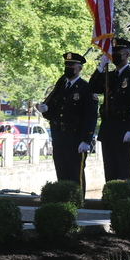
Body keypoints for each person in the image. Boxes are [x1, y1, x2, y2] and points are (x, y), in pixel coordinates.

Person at [89, 38, 130, 182]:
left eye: (118, 52)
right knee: (110, 173)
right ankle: (111, 202)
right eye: (112, 52)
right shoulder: (109, 75)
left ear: (127, 55)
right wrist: (101, 66)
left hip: (124, 128)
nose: (114, 54)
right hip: (108, 129)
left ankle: (127, 202)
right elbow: (92, 88)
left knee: (125, 172)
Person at [38, 52, 98, 195]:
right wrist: (45, 110)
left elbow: (90, 116)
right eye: (66, 65)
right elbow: (54, 113)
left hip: (75, 139)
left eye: (71, 65)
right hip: (59, 137)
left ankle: (78, 205)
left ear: (79, 68)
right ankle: (63, 204)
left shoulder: (86, 88)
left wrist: (86, 140)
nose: (68, 67)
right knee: (62, 176)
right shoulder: (61, 86)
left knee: (75, 176)